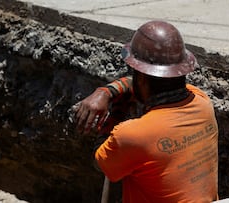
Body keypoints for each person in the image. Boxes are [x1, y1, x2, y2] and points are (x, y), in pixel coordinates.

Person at [74, 20, 218, 203]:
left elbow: (101, 164)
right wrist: (107, 92)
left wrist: (116, 110)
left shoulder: (132, 135)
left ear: (141, 78)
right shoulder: (202, 102)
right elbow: (152, 83)